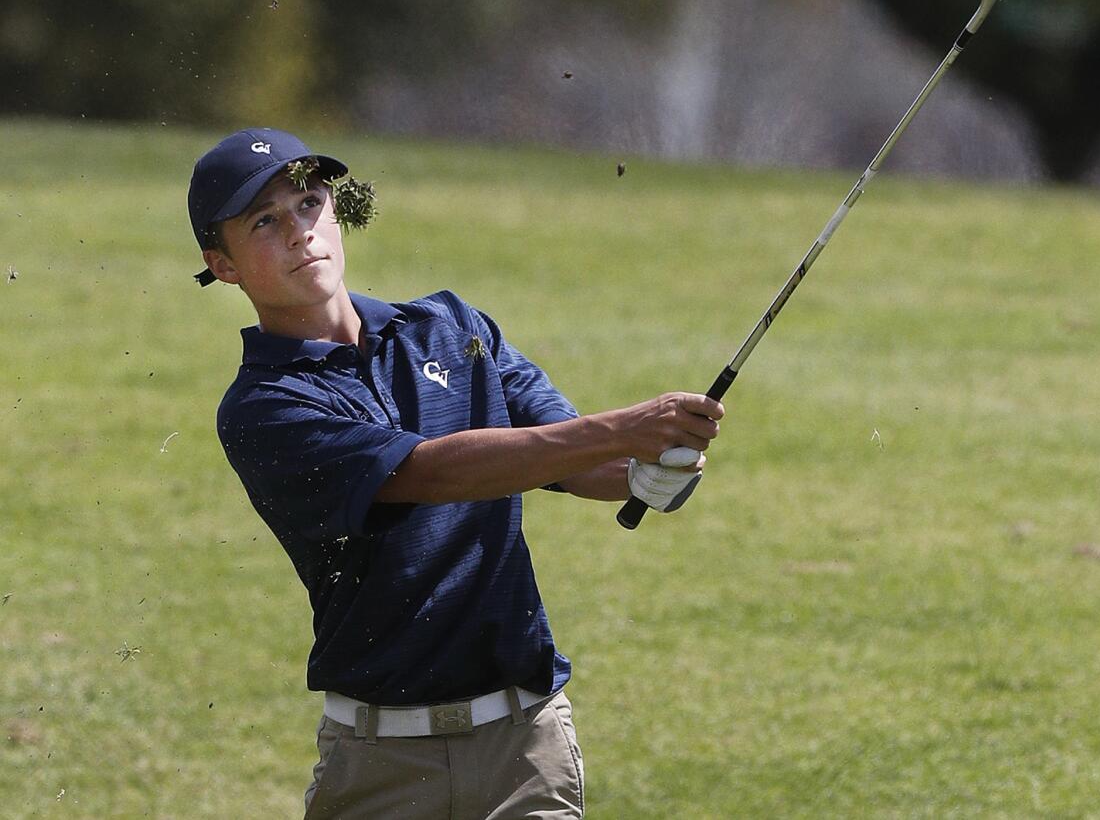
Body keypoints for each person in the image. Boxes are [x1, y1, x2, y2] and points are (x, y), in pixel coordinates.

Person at [187, 128, 723, 819]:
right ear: (222, 264)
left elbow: (568, 458)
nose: (300, 231)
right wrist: (622, 429)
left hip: (525, 747)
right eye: (265, 221)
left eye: (310, 202)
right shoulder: (262, 409)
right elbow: (425, 473)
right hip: (381, 765)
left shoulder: (450, 327)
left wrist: (652, 468)